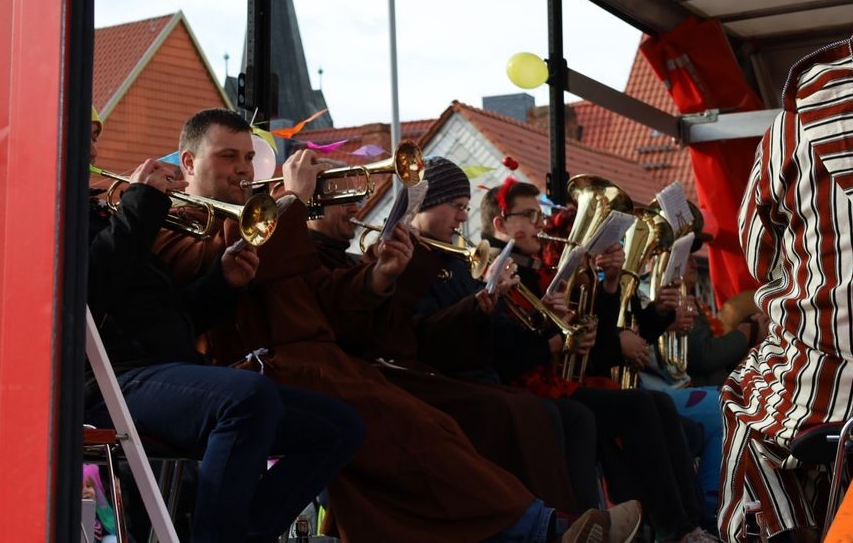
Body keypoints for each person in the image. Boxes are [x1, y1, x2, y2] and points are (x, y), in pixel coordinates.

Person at [154, 108, 618, 543]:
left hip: (321, 359)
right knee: (403, 430)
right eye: (227, 156)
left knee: (430, 425)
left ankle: (535, 524)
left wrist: (378, 277)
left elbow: (322, 297)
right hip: (263, 366)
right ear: (190, 163)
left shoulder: (265, 215)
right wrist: (292, 200)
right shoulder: (175, 221)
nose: (242, 169)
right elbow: (214, 269)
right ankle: (542, 527)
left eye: (247, 157)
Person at [84, 110, 365, 543]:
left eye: (93, 136)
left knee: (339, 426)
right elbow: (88, 289)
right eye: (80, 136)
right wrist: (139, 206)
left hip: (161, 370)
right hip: (109, 381)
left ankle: (240, 533)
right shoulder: (61, 216)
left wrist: (223, 282)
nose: (92, 147)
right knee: (248, 397)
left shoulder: (105, 213)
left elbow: (174, 318)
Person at [413, 164, 720, 543]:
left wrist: (612, 292)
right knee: (631, 411)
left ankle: (684, 524)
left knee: (652, 409)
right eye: (529, 216)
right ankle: (653, 527)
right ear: (500, 224)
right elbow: (510, 347)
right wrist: (555, 337)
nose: (540, 224)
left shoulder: (534, 269)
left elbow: (598, 341)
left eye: (541, 216)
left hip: (550, 377)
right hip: (523, 383)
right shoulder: (493, 268)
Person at [717, 0, 853, 543]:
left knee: (744, 402)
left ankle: (779, 527)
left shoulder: (789, 129)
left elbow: (757, 254)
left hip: (825, 386)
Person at [306, 191, 581, 513]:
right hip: (410, 374)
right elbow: (410, 335)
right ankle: (540, 523)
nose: (463, 217)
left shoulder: (455, 263)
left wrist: (531, 319)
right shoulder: (333, 257)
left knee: (550, 414)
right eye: (456, 207)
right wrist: (475, 307)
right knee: (510, 412)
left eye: (466, 208)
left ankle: (559, 520)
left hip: (446, 371)